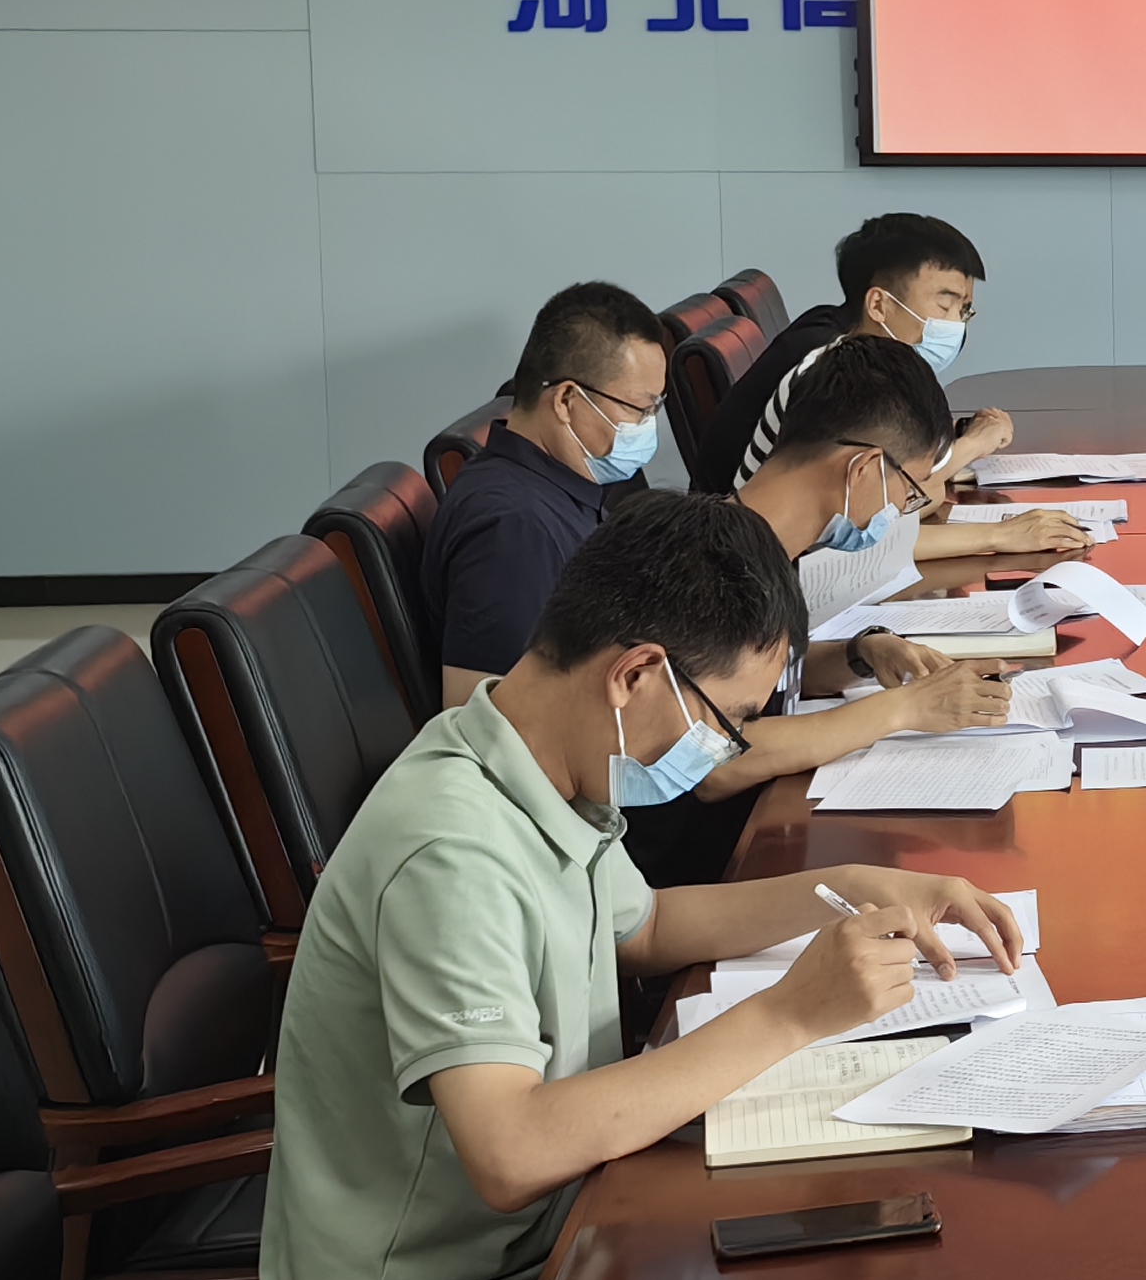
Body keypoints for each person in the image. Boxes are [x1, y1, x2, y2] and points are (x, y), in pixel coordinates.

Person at [263, 494, 1018, 1280]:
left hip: (556, 1251)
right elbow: (510, 1151)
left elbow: (647, 923)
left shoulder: (532, 762)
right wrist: (792, 1014)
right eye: (726, 722)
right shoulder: (450, 849)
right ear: (635, 675)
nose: (723, 750)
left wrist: (848, 886)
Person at [619, 336, 1020, 886]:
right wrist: (904, 709)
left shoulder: (769, 548)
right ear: (863, 469)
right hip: (700, 877)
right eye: (908, 491)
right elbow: (712, 763)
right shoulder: (706, 570)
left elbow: (760, 684)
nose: (901, 511)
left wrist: (861, 653)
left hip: (767, 832)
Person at [425, 280, 674, 706]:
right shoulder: (513, 531)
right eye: (639, 408)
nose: (647, 425)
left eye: (656, 407)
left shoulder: (568, 489)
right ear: (566, 401)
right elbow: (486, 721)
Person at [722, 214, 1050, 526]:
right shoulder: (839, 374)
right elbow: (892, 511)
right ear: (879, 304)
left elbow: (913, 494)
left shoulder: (879, 367)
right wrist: (973, 450)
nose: (954, 324)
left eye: (963, 310)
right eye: (944, 306)